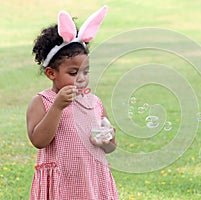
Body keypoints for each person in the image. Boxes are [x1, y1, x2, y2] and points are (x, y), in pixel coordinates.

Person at [26, 6, 119, 199]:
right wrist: (58, 106)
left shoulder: (94, 103)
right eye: (73, 73)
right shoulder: (42, 101)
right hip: (63, 182)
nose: (82, 78)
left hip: (93, 179)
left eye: (86, 71)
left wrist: (107, 138)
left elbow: (110, 147)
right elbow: (39, 141)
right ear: (51, 73)